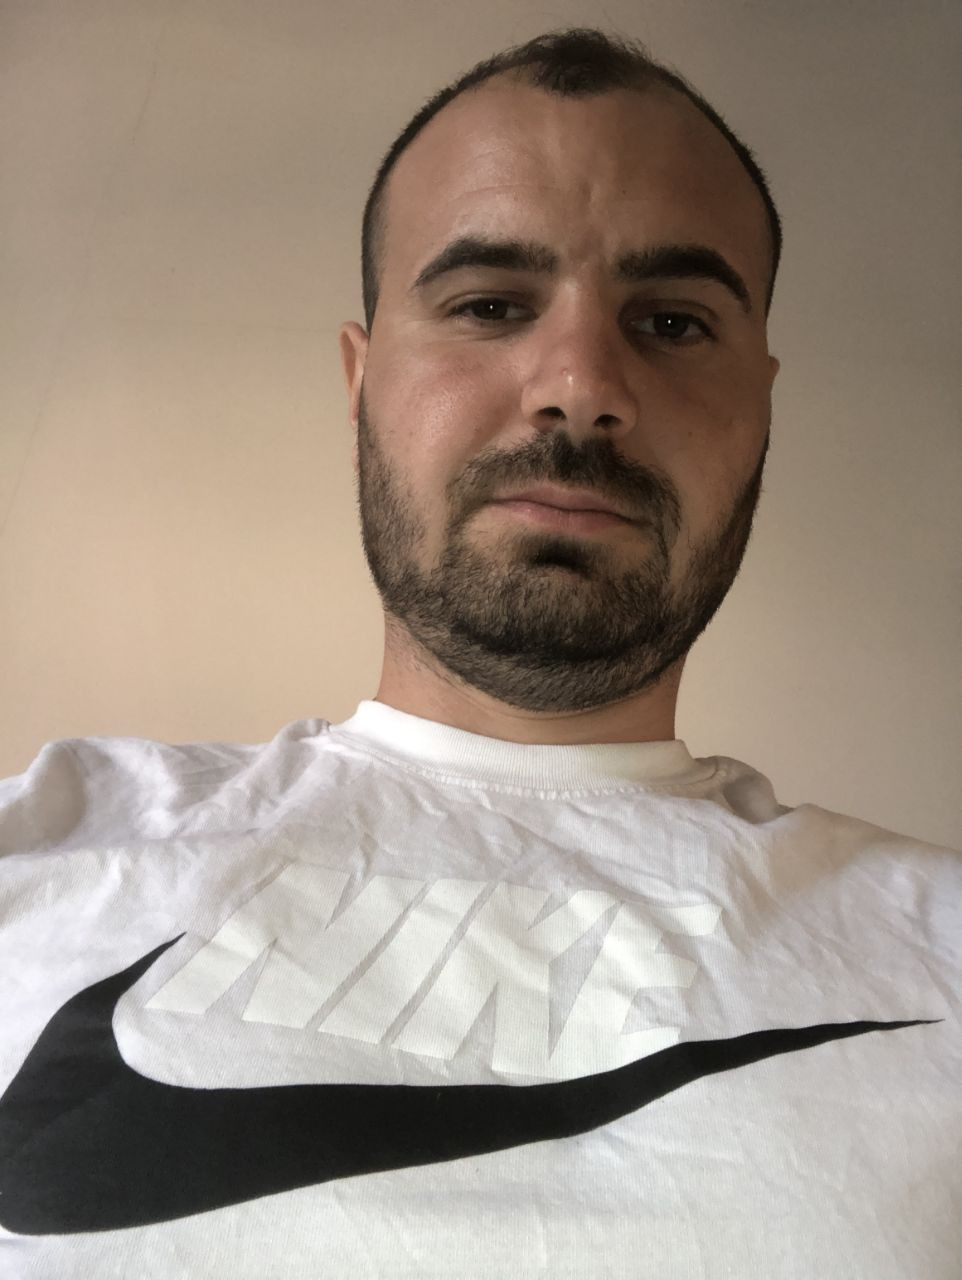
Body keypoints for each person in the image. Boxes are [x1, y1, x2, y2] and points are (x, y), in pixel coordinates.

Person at [0, 26, 957, 1280]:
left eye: (672, 321)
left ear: (759, 408)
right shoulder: (43, 846)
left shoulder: (938, 946)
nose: (579, 382)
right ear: (360, 380)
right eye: (489, 304)